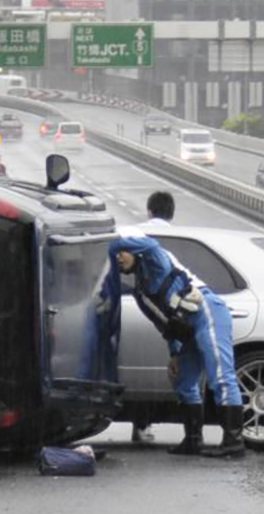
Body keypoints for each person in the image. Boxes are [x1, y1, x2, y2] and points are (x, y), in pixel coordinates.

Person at [105, 233, 246, 458]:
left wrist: (111, 242)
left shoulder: (156, 260)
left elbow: (151, 243)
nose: (119, 259)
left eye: (122, 253)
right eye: (115, 257)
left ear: (135, 251)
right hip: (187, 331)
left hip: (208, 313)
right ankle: (193, 439)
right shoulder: (141, 292)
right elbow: (166, 326)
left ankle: (233, 440)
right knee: (183, 381)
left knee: (220, 375)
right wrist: (175, 353)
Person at [131, 191, 178, 445]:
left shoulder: (135, 234)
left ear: (149, 211)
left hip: (147, 309)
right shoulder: (176, 239)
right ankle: (192, 433)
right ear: (171, 214)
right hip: (171, 309)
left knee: (135, 377)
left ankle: (140, 423)